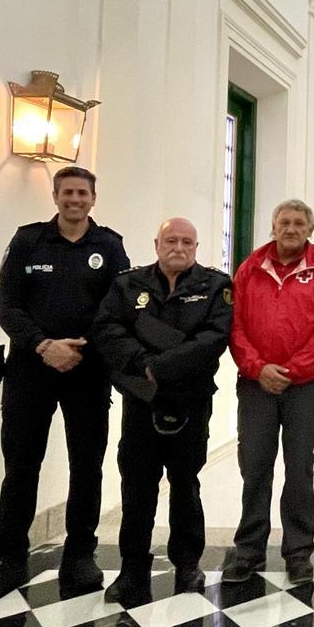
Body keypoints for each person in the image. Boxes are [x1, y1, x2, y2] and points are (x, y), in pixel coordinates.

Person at [0, 166, 129, 609]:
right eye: (67, 192)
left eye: (82, 193)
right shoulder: (27, 241)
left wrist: (79, 347)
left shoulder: (109, 246)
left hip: (88, 372)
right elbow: (6, 306)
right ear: (54, 195)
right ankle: (7, 560)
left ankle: (80, 556)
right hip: (29, 371)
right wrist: (44, 345)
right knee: (20, 466)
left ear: (93, 198)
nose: (74, 199)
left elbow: (120, 309)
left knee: (86, 465)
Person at [92, 218, 232, 606]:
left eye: (187, 241)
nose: (179, 247)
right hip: (142, 401)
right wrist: (143, 363)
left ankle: (187, 563)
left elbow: (212, 339)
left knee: (186, 484)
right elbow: (107, 329)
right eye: (171, 240)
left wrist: (160, 366)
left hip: (190, 400)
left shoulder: (215, 286)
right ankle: (132, 568)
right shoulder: (128, 284)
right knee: (136, 487)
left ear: (197, 246)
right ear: (156, 244)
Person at [224, 199, 314, 585]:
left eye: (298, 223)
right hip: (256, 386)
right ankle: (249, 551)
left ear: (310, 229)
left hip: (305, 387)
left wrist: (291, 370)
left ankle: (298, 553)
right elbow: (235, 326)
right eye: (284, 222)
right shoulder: (249, 270)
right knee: (255, 468)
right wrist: (258, 368)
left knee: (299, 471)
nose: (291, 228)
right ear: (273, 228)